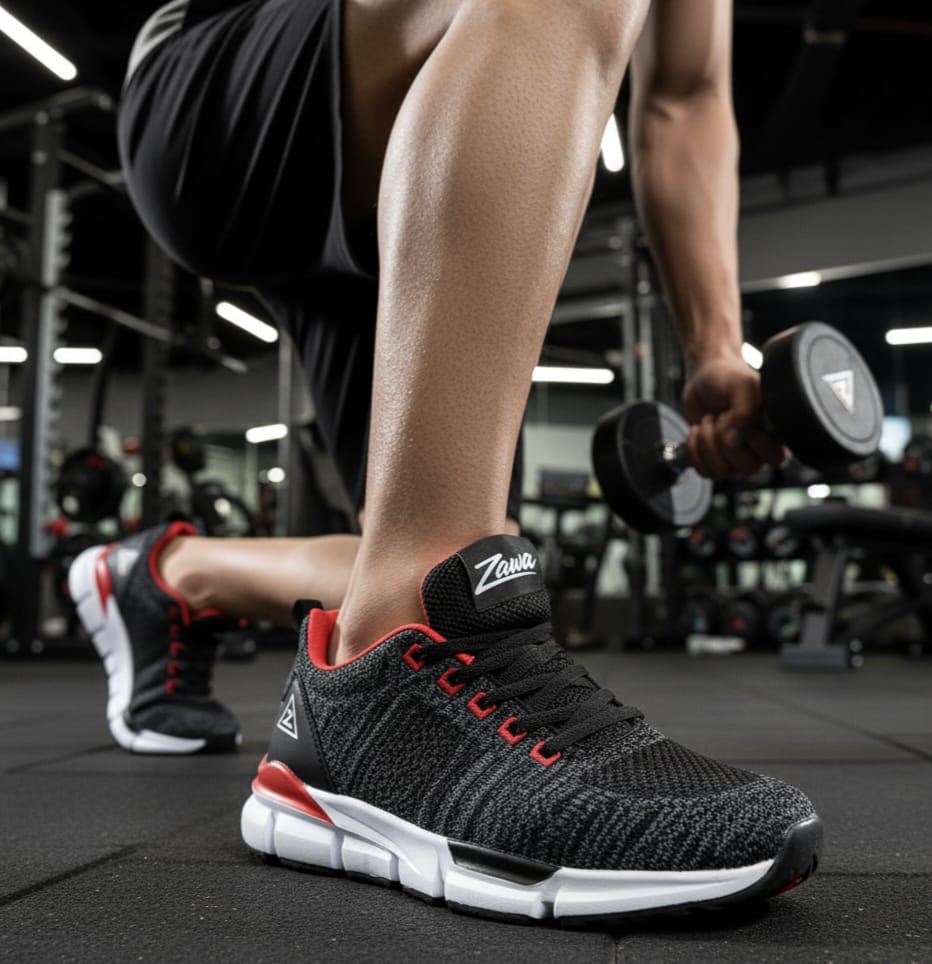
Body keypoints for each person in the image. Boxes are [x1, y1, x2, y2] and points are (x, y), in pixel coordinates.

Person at [68, 0, 822, 921]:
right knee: (430, 583)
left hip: (406, 149)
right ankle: (400, 685)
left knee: (436, 560)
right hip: (222, 95)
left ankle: (170, 576)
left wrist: (715, 348)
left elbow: (685, 94)